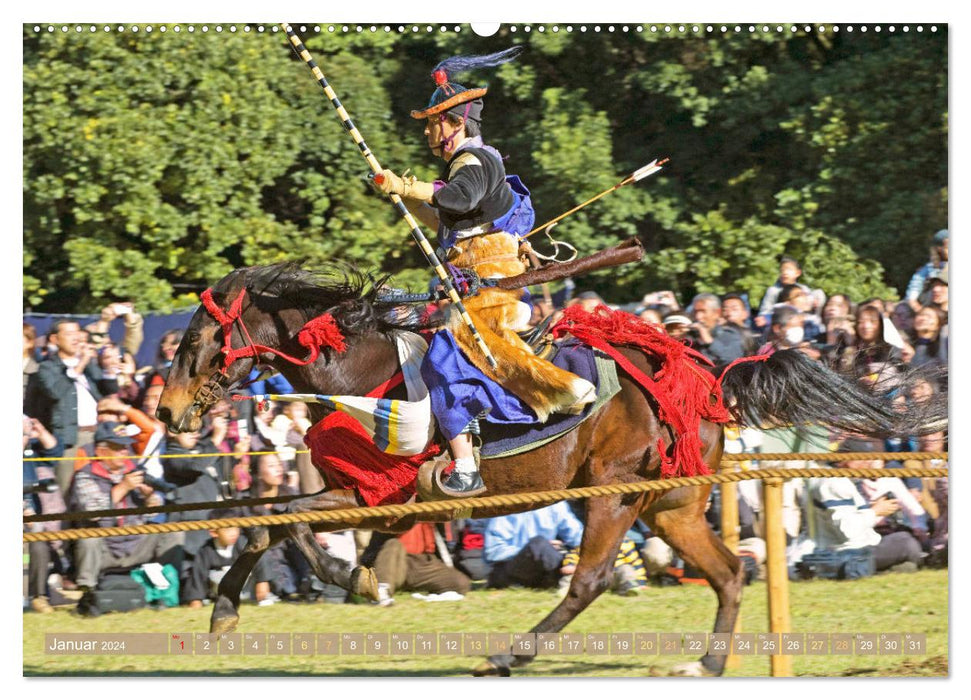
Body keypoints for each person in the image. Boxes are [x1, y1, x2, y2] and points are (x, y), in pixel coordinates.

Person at [370, 48, 595, 496]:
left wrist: (408, 185)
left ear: (455, 123)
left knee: (443, 357)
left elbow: (455, 199)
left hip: (486, 282)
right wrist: (406, 198)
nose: (429, 132)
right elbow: (449, 217)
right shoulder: (469, 165)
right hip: (468, 276)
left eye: (434, 122)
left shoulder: (471, 160)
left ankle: (467, 464)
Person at [68, 421, 184, 617]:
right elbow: (92, 511)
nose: (125, 452)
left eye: (125, 447)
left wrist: (149, 497)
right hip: (104, 550)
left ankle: (165, 590)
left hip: (135, 545)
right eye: (118, 448)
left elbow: (152, 514)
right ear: (101, 451)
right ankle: (88, 596)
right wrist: (123, 487)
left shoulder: (133, 471)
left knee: (173, 533)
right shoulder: (85, 476)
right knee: (88, 537)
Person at [25, 319, 119, 493]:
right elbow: (56, 392)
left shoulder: (89, 365)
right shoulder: (46, 367)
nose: (76, 339)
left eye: (77, 333)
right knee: (67, 490)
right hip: (69, 438)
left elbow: (106, 391)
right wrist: (80, 364)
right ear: (55, 339)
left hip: (96, 435)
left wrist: (108, 368)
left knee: (97, 489)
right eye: (69, 334)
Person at [362, 523, 470, 605]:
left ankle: (410, 588)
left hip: (423, 563)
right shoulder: (393, 505)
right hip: (396, 562)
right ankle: (381, 591)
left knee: (461, 583)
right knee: (393, 544)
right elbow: (372, 552)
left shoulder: (431, 507)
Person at [483, 502, 584, 589]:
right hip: (513, 568)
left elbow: (579, 538)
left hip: (546, 565)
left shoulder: (555, 505)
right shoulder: (505, 507)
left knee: (544, 547)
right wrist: (533, 549)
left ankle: (563, 576)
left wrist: (563, 547)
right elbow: (492, 552)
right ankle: (561, 578)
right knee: (538, 544)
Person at [687, 293, 751, 364]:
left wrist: (709, 342)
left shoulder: (729, 335)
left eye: (703, 311)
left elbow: (732, 358)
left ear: (717, 312)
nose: (698, 317)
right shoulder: (691, 337)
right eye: (695, 311)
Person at [755, 256, 811, 326]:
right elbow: (764, 312)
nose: (785, 273)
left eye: (789, 269)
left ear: (798, 273)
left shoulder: (803, 289)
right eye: (782, 270)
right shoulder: (773, 291)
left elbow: (808, 306)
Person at [905, 229, 948, 312]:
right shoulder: (928, 269)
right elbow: (912, 295)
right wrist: (921, 311)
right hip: (934, 310)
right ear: (939, 248)